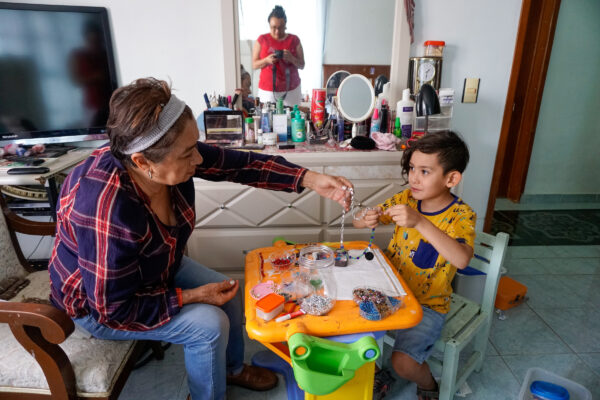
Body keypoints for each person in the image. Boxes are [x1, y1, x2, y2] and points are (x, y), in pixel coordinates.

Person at [48, 78, 352, 400]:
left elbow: (241, 165)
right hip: (99, 307)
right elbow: (113, 309)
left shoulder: (162, 156)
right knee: (209, 326)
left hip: (155, 270)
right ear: (142, 162)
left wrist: (310, 178)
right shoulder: (107, 210)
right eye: (188, 153)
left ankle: (232, 370)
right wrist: (189, 297)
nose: (199, 160)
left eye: (196, 145)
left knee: (231, 292)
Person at [352, 131, 475, 400]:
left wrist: (420, 222)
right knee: (352, 334)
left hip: (428, 304)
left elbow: (462, 259)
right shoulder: (406, 198)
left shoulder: (461, 216)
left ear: (451, 178)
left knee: (403, 363)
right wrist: (367, 217)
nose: (413, 178)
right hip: (391, 292)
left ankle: (429, 385)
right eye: (411, 169)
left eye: (424, 171)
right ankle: (373, 376)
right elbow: (358, 222)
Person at [252, 5, 304, 106]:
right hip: (267, 91)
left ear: (285, 25)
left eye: (280, 28)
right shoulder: (262, 39)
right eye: (273, 28)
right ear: (269, 25)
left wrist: (292, 58)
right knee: (267, 118)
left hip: (292, 90)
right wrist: (266, 60)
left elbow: (302, 65)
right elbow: (254, 65)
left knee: (292, 118)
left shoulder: (294, 40)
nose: (277, 32)